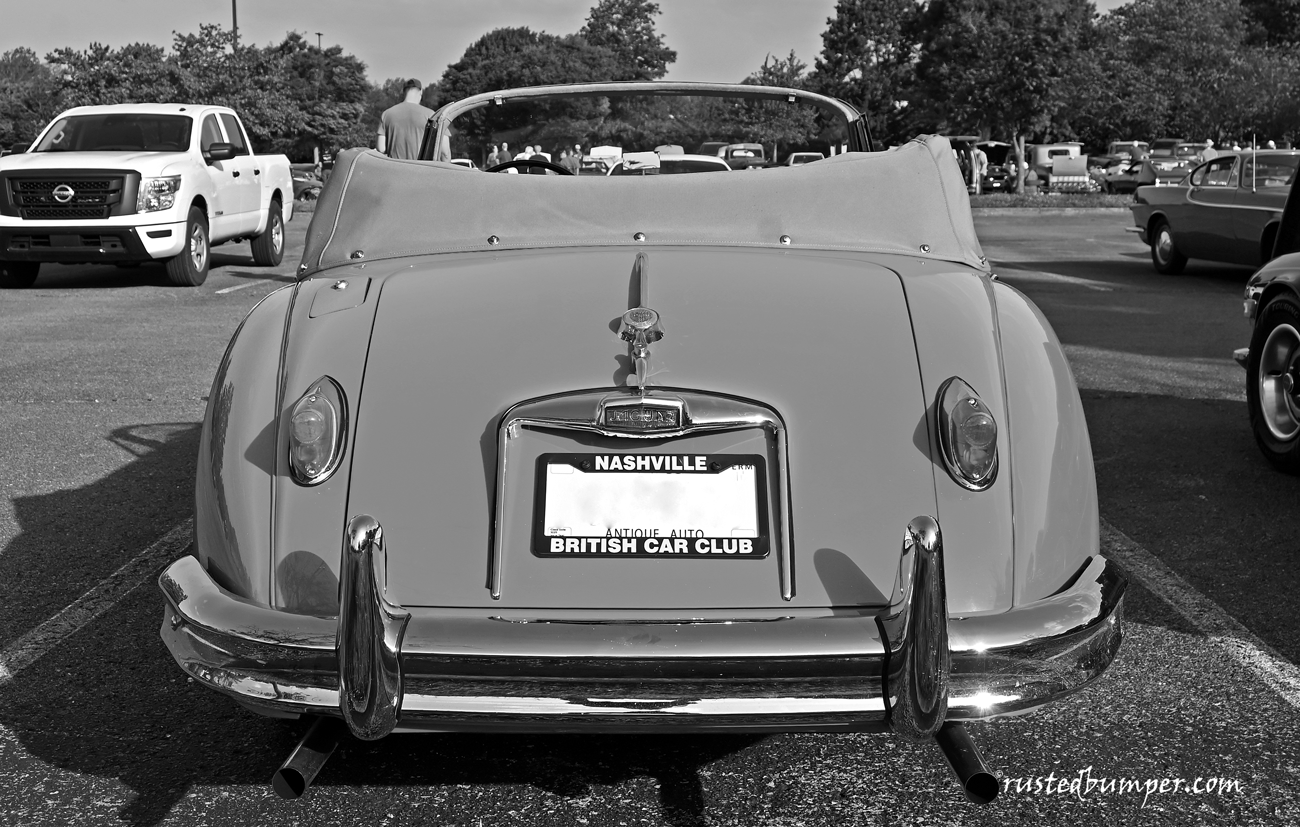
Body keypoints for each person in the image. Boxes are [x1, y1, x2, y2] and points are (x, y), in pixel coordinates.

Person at [378, 79, 435, 160]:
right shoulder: (431, 115)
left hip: (394, 169)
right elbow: (442, 151)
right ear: (420, 92)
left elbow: (381, 148)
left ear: (403, 92)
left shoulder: (387, 114)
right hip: (420, 169)